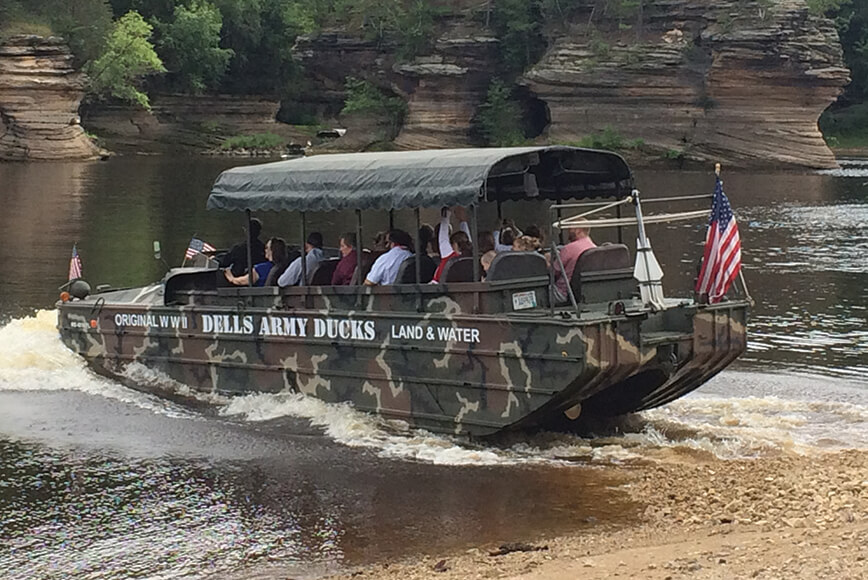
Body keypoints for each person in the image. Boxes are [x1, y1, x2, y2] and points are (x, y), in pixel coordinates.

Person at [554, 220, 597, 301]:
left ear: (578, 230)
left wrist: (546, 262)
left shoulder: (568, 249)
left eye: (570, 228)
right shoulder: (593, 247)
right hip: (582, 292)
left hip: (563, 293)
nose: (568, 231)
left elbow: (553, 272)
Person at [224, 237, 288, 287]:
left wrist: (231, 278)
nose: (264, 250)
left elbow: (243, 281)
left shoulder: (261, 268)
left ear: (272, 251)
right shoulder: (285, 267)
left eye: (266, 248)